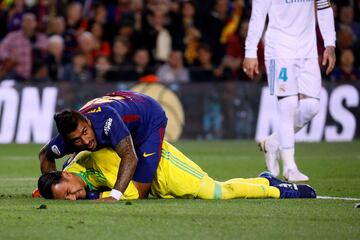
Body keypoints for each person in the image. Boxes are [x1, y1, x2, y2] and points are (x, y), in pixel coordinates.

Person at [243, 0, 336, 181]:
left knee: (312, 107)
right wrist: (250, 52)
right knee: (289, 104)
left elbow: (324, 7)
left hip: (307, 51)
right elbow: (258, 15)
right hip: (278, 50)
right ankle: (290, 167)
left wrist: (330, 44)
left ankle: (273, 143)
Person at [37, 141, 316, 200]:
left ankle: (279, 190)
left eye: (70, 192)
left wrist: (98, 199)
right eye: (67, 199)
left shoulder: (102, 166)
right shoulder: (74, 170)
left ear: (68, 176)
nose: (73, 197)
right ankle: (263, 178)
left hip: (163, 164)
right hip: (148, 181)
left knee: (217, 192)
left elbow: (129, 193)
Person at [38, 91, 168, 201]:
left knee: (140, 192)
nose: (85, 141)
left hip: (149, 116)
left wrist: (114, 195)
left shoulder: (108, 121)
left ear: (87, 121)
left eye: (85, 132)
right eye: (77, 140)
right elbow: (45, 154)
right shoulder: (65, 139)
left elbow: (130, 156)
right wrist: (51, 187)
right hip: (119, 102)